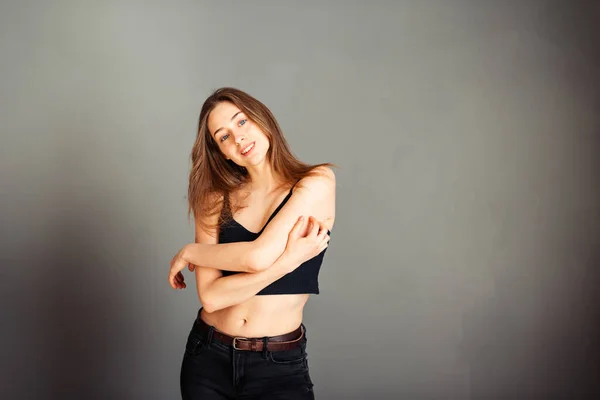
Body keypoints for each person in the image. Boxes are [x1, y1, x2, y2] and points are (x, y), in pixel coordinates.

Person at [168, 87, 336, 399]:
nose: (238, 138)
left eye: (241, 122)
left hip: (278, 364)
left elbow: (256, 257)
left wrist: (190, 252)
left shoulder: (316, 182)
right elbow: (212, 298)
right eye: (224, 137)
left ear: (262, 120)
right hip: (207, 357)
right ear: (222, 152)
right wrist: (286, 263)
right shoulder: (214, 199)